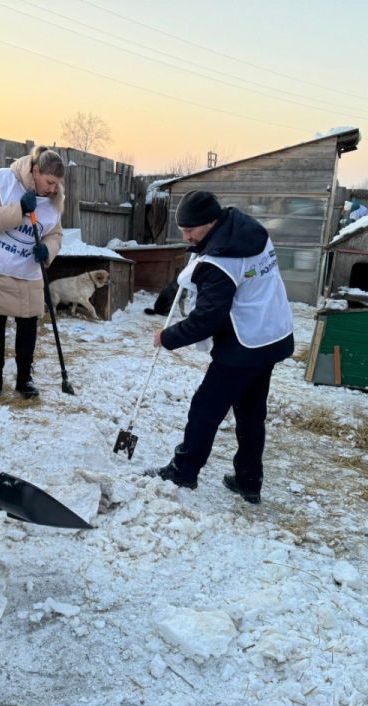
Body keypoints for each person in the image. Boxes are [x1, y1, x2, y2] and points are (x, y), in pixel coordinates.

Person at [150, 191, 294, 504]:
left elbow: (206, 319)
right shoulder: (246, 229)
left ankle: (184, 470)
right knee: (251, 413)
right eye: (182, 230)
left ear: (212, 222)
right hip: (272, 332)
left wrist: (168, 336)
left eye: (192, 230)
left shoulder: (220, 262)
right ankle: (249, 480)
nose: (187, 237)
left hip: (245, 343)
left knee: (206, 407)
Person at [0, 145, 66, 399]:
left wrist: (48, 249)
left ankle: (24, 379)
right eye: (49, 182)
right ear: (35, 170)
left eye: (56, 184)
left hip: (26, 270)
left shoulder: (54, 199)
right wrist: (19, 209)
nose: (52, 189)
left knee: (28, 325)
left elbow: (55, 233)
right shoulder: (0, 181)